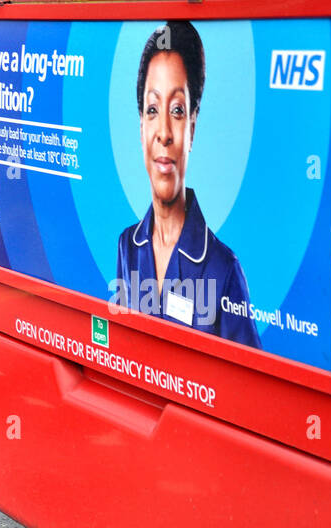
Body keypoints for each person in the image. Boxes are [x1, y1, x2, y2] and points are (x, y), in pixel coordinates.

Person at [115, 21, 259, 348]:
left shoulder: (223, 269)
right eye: (152, 109)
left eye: (177, 110)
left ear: (191, 127)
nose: (164, 132)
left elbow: (246, 388)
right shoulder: (127, 247)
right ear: (141, 127)